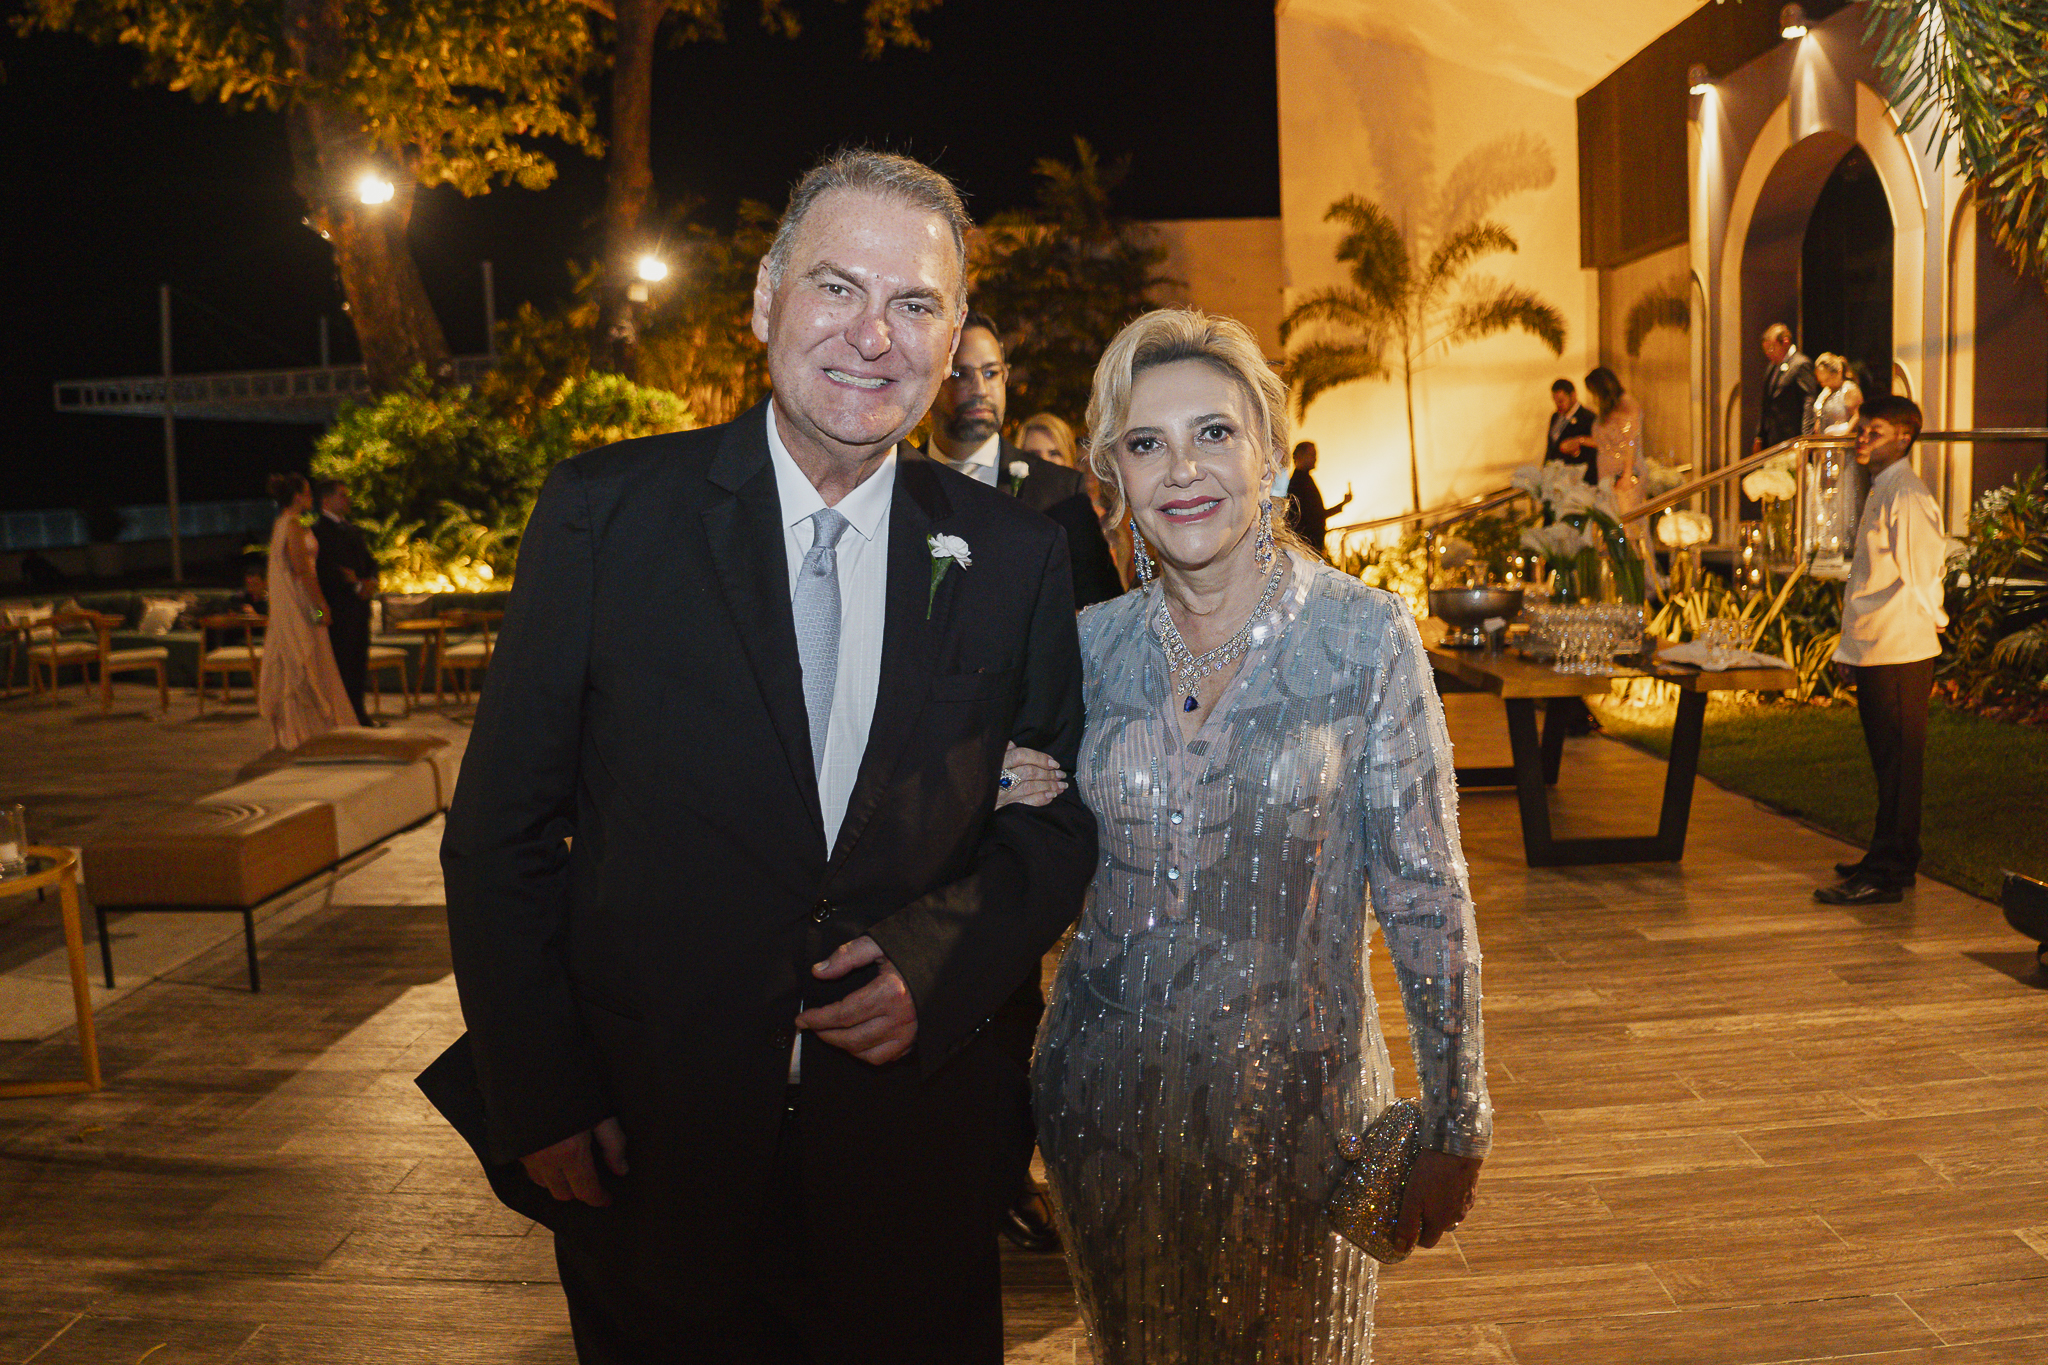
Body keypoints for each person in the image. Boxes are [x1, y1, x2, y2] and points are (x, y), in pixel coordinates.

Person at [420, 149, 1099, 1365]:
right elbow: (499, 835)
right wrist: (541, 1095)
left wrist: (938, 964)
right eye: (837, 288)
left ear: (952, 344)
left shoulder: (1010, 555)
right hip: (650, 1144)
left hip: (914, 1155)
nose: (872, 336)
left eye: (915, 305)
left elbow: (1052, 820)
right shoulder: (602, 515)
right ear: (763, 301)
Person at [1010, 309, 1489, 1362]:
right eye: (1146, 443)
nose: (1182, 469)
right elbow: (1012, 841)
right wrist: (997, 789)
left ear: (1270, 458)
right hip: (1102, 1113)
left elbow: (1426, 895)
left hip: (1304, 1123)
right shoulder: (1082, 649)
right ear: (1113, 479)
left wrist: (1456, 1120)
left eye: (1214, 433)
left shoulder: (1363, 636)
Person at [1816, 396, 1947, 907]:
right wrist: (1851, 649)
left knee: (1898, 767)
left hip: (1899, 649)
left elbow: (1923, 571)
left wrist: (1934, 621)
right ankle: (1892, 857)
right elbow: (1869, 579)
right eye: (1862, 430)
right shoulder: (1885, 488)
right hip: (1878, 647)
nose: (1862, 439)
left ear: (1904, 438)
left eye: (1874, 432)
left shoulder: (1907, 494)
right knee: (1889, 765)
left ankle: (1887, 872)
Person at [924, 314, 1126, 608]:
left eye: (991, 373)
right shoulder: (895, 479)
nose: (980, 389)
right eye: (959, 373)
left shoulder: (1060, 492)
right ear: (929, 378)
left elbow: (1104, 615)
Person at [256, 473, 356, 751]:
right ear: (298, 496)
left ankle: (301, 727)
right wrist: (321, 606)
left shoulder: (281, 524)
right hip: (302, 604)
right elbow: (302, 571)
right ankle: (310, 728)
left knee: (309, 655)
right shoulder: (291, 525)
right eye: (308, 493)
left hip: (297, 603)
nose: (311, 498)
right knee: (310, 653)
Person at [1021, 410, 1133, 591]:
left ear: (1068, 458)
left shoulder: (1101, 521)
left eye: (1054, 453)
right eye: (1033, 455)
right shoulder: (1012, 518)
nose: (1044, 463)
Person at [311, 478, 379, 726]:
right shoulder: (318, 532)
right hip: (336, 610)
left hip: (359, 608)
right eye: (342, 495)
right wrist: (355, 585)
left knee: (358, 662)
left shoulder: (353, 530)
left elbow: (370, 562)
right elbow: (326, 572)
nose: (348, 500)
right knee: (340, 663)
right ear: (326, 500)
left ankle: (358, 712)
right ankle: (342, 716)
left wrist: (369, 581)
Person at [1755, 323, 1820, 452]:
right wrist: (1759, 436)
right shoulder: (1772, 368)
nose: (1768, 354)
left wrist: (1806, 438)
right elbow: (1766, 404)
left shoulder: (1801, 364)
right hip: (1772, 440)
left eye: (1771, 348)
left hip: (1791, 438)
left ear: (1785, 342)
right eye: (1766, 350)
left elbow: (1808, 401)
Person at [1283, 439, 1350, 555]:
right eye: (1312, 455)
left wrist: (1342, 504)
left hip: (1310, 545)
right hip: (1309, 546)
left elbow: (1316, 515)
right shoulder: (1299, 483)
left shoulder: (1302, 480)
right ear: (1300, 456)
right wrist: (1342, 504)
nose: (1315, 459)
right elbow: (1314, 516)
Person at [1544, 376, 1598, 485]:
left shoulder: (1588, 417)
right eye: (1555, 401)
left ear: (1573, 396)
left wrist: (1576, 449)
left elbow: (1594, 450)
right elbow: (1550, 447)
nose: (1557, 405)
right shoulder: (1555, 417)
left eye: (1561, 401)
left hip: (1576, 479)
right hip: (1554, 477)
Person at [1812, 353, 1863, 435]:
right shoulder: (1826, 391)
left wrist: (1845, 432)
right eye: (1821, 381)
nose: (1823, 384)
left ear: (1839, 372)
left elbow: (1857, 415)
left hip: (1842, 440)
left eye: (1827, 379)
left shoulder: (1849, 389)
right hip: (1824, 439)